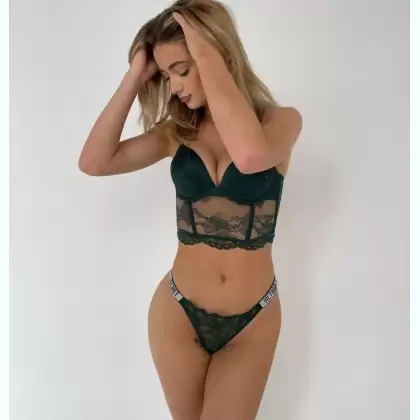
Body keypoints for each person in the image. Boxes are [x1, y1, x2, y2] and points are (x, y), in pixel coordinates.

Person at [78, 0, 302, 418]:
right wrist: (135, 76)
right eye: (166, 75)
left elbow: (250, 157)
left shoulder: (281, 122)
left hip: (252, 321)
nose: (174, 86)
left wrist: (207, 53)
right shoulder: (176, 133)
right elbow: (94, 162)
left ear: (216, 54)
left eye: (181, 70)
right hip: (178, 312)